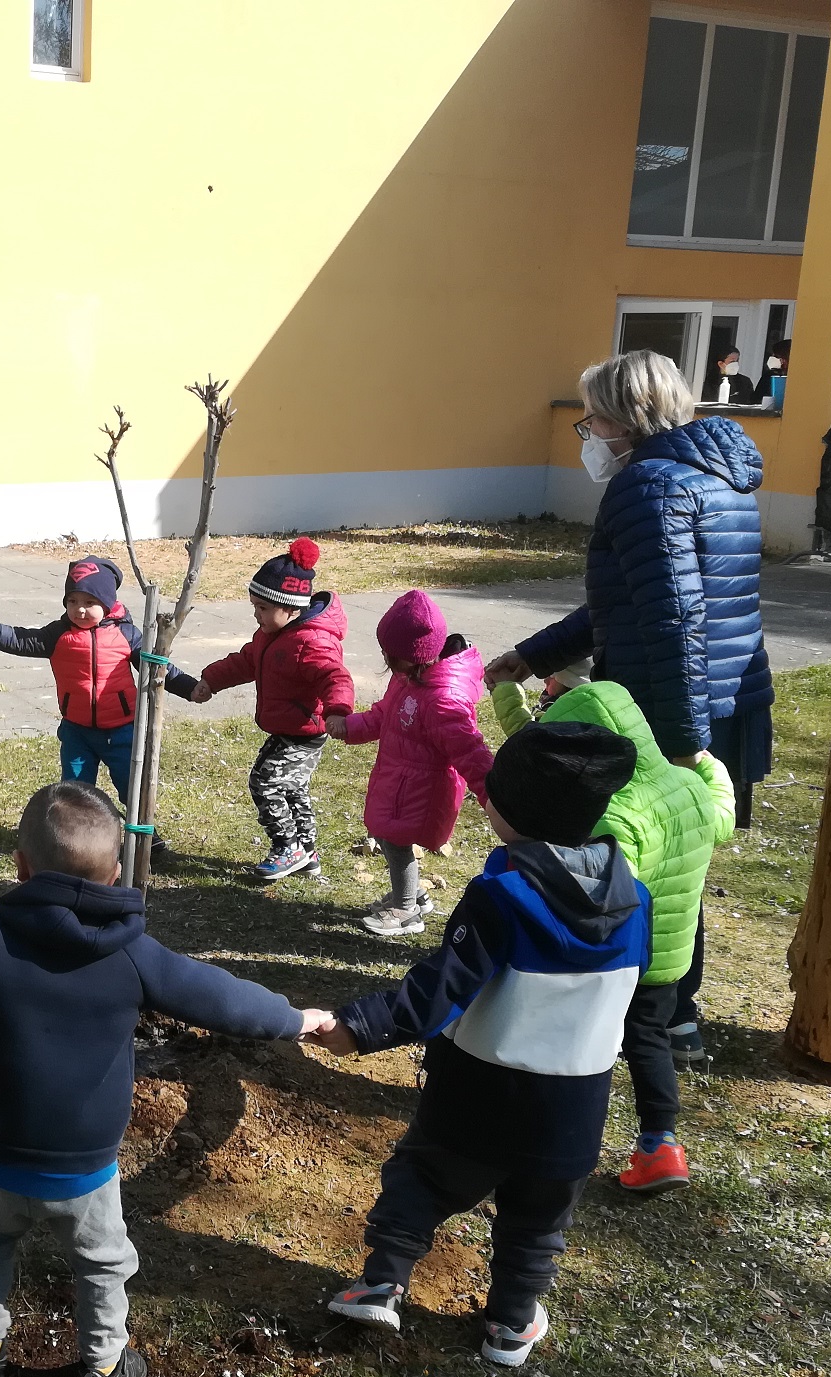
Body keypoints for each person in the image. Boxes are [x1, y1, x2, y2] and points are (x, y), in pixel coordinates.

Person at [0, 781, 324, 1377]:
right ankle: (101, 1369)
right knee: (101, 1261)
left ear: (20, 866)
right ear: (117, 871)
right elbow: (222, 998)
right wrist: (297, 1018)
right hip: (83, 1162)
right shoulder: (136, 957)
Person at [309, 723, 648, 1369]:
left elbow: (442, 989)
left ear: (506, 809)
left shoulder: (504, 896)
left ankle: (382, 1282)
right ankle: (511, 1325)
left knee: (424, 1177)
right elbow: (639, 1002)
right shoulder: (638, 903)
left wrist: (358, 1026)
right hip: (574, 1108)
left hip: (481, 1090)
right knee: (537, 1222)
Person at [487, 348, 771, 1072]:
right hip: (729, 698)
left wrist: (679, 743)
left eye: (594, 419)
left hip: (671, 709)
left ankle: (648, 1015)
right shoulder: (719, 474)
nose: (587, 434)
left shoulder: (645, 486)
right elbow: (626, 601)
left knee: (646, 859)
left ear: (628, 418)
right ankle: (671, 1014)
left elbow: (673, 618)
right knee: (685, 861)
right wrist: (536, 657)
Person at [494, 682, 735, 1194]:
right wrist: (711, 766)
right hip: (675, 952)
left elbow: (602, 889)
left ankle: (560, 1131)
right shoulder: (687, 785)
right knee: (649, 1041)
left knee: (593, 1043)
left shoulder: (616, 812)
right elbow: (722, 821)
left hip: (620, 957)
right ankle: (661, 1144)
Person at [0, 555, 195, 819]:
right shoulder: (58, 635)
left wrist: (191, 688)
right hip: (77, 731)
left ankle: (144, 833)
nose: (80, 609)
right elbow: (18, 639)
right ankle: (79, 840)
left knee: (132, 787)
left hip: (122, 730)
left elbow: (158, 668)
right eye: (73, 601)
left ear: (108, 603)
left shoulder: (127, 634)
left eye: (90, 602)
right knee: (75, 791)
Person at [187, 538, 353, 882]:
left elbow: (334, 675)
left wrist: (337, 710)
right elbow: (245, 662)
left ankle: (287, 846)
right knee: (292, 788)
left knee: (264, 781)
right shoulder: (270, 634)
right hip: (288, 727)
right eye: (255, 606)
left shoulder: (311, 642)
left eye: (263, 607)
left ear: (290, 608)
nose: (256, 614)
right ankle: (306, 853)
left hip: (304, 732)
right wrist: (211, 680)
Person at [327, 590, 491, 938]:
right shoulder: (409, 678)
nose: (386, 659)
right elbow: (385, 714)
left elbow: (470, 752)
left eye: (391, 654)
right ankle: (415, 894)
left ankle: (406, 911)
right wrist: (349, 726)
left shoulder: (442, 699)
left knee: (396, 842)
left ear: (416, 655)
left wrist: (495, 793)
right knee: (388, 837)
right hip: (398, 781)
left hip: (421, 790)